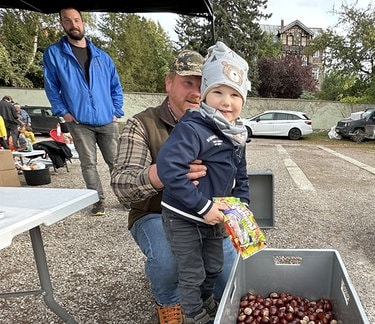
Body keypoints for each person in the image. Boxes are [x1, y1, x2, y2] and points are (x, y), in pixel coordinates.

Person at [110, 49, 237, 323]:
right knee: (170, 261)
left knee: (229, 272)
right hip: (155, 213)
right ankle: (170, 307)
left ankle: (209, 304)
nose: (195, 92)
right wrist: (164, 173)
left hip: (205, 214)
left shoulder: (219, 125)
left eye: (202, 84)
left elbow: (235, 175)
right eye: (187, 82)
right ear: (169, 83)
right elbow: (121, 185)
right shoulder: (142, 124)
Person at [156, 41, 250, 324]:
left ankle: (206, 299)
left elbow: (241, 175)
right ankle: (193, 313)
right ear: (205, 96)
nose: (226, 101)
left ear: (243, 100)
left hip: (214, 214)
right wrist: (202, 206)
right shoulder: (194, 127)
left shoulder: (237, 135)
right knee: (192, 270)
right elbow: (168, 168)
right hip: (183, 215)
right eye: (217, 92)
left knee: (214, 265)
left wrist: (242, 207)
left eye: (234, 94)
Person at [43, 7, 124, 216]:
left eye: (76, 20)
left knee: (116, 162)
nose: (73, 25)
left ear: (83, 22)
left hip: (107, 119)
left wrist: (116, 110)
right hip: (79, 121)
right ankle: (97, 200)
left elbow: (116, 86)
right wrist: (63, 111)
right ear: (62, 24)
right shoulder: (55, 54)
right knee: (88, 164)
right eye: (67, 21)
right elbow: (51, 86)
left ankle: (126, 198)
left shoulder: (102, 57)